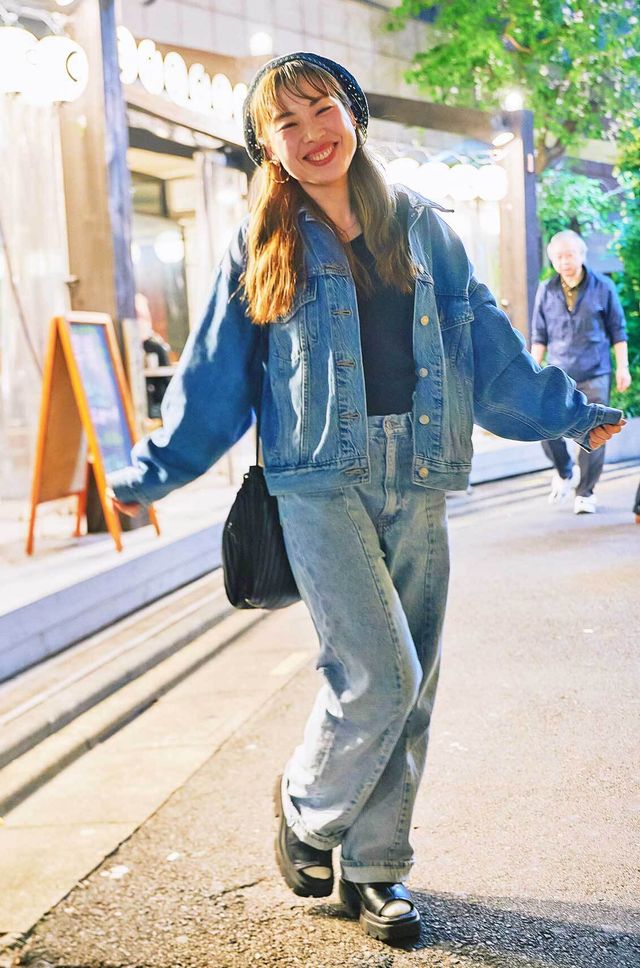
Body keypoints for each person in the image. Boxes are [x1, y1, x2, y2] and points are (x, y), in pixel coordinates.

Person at [106, 53, 624, 945]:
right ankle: (307, 810)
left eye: (323, 108)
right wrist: (149, 474)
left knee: (413, 685)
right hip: (318, 479)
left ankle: (377, 869)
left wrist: (572, 416)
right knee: (382, 674)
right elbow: (215, 379)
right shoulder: (262, 242)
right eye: (288, 123)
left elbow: (488, 350)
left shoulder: (424, 227)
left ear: (352, 112)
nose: (313, 133)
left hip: (420, 468)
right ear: (267, 146)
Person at [531, 230, 631, 514]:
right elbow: (539, 335)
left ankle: (586, 492)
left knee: (594, 431)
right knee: (544, 425)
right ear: (552, 260)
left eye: (570, 255)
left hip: (595, 371)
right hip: (558, 374)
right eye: (558, 257)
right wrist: (532, 372)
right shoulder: (546, 289)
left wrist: (622, 367)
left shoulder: (603, 287)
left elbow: (618, 331)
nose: (564, 262)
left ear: (582, 255)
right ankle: (565, 471)